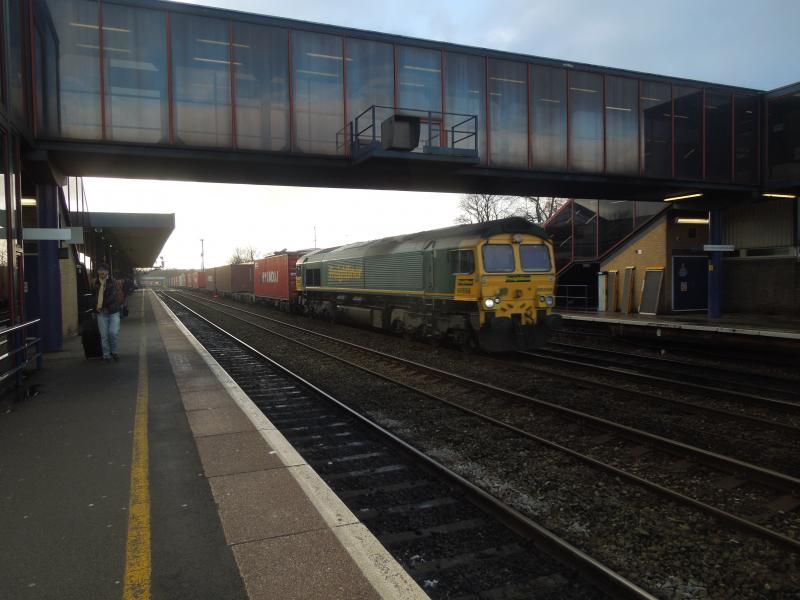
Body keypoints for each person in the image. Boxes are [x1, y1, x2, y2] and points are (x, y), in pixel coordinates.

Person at [92, 263, 122, 362]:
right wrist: (94, 309)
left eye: (104, 270)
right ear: (97, 272)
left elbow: (112, 296)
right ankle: (106, 355)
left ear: (108, 272)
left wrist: (101, 305)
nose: (101, 272)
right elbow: (93, 297)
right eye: (100, 270)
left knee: (113, 333)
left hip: (113, 312)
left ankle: (114, 352)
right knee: (104, 336)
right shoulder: (95, 283)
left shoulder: (113, 282)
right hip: (101, 313)